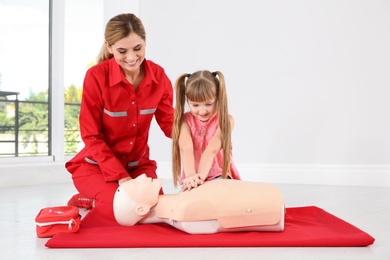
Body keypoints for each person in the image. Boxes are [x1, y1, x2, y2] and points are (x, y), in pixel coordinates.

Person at [65, 13, 174, 215]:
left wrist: (203, 130)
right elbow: (91, 135)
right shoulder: (96, 76)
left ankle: (113, 196)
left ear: (145, 43)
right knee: (123, 208)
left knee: (157, 208)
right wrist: (123, 179)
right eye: (122, 51)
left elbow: (170, 124)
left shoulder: (158, 76)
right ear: (109, 48)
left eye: (137, 48)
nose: (132, 57)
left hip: (138, 166)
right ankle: (86, 199)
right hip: (96, 167)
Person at [113, 174, 285, 234]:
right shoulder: (184, 213)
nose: (141, 176)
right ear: (141, 208)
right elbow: (229, 218)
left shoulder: (182, 205)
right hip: (271, 205)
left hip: (270, 199)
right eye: (136, 183)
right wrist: (273, 211)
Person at [172, 71, 240, 191]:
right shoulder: (184, 121)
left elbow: (212, 150)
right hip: (191, 175)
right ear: (187, 101)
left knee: (216, 197)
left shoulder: (226, 121)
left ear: (218, 98)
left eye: (208, 104)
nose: (202, 111)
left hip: (218, 174)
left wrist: (200, 178)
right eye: (195, 105)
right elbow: (186, 148)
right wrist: (192, 177)